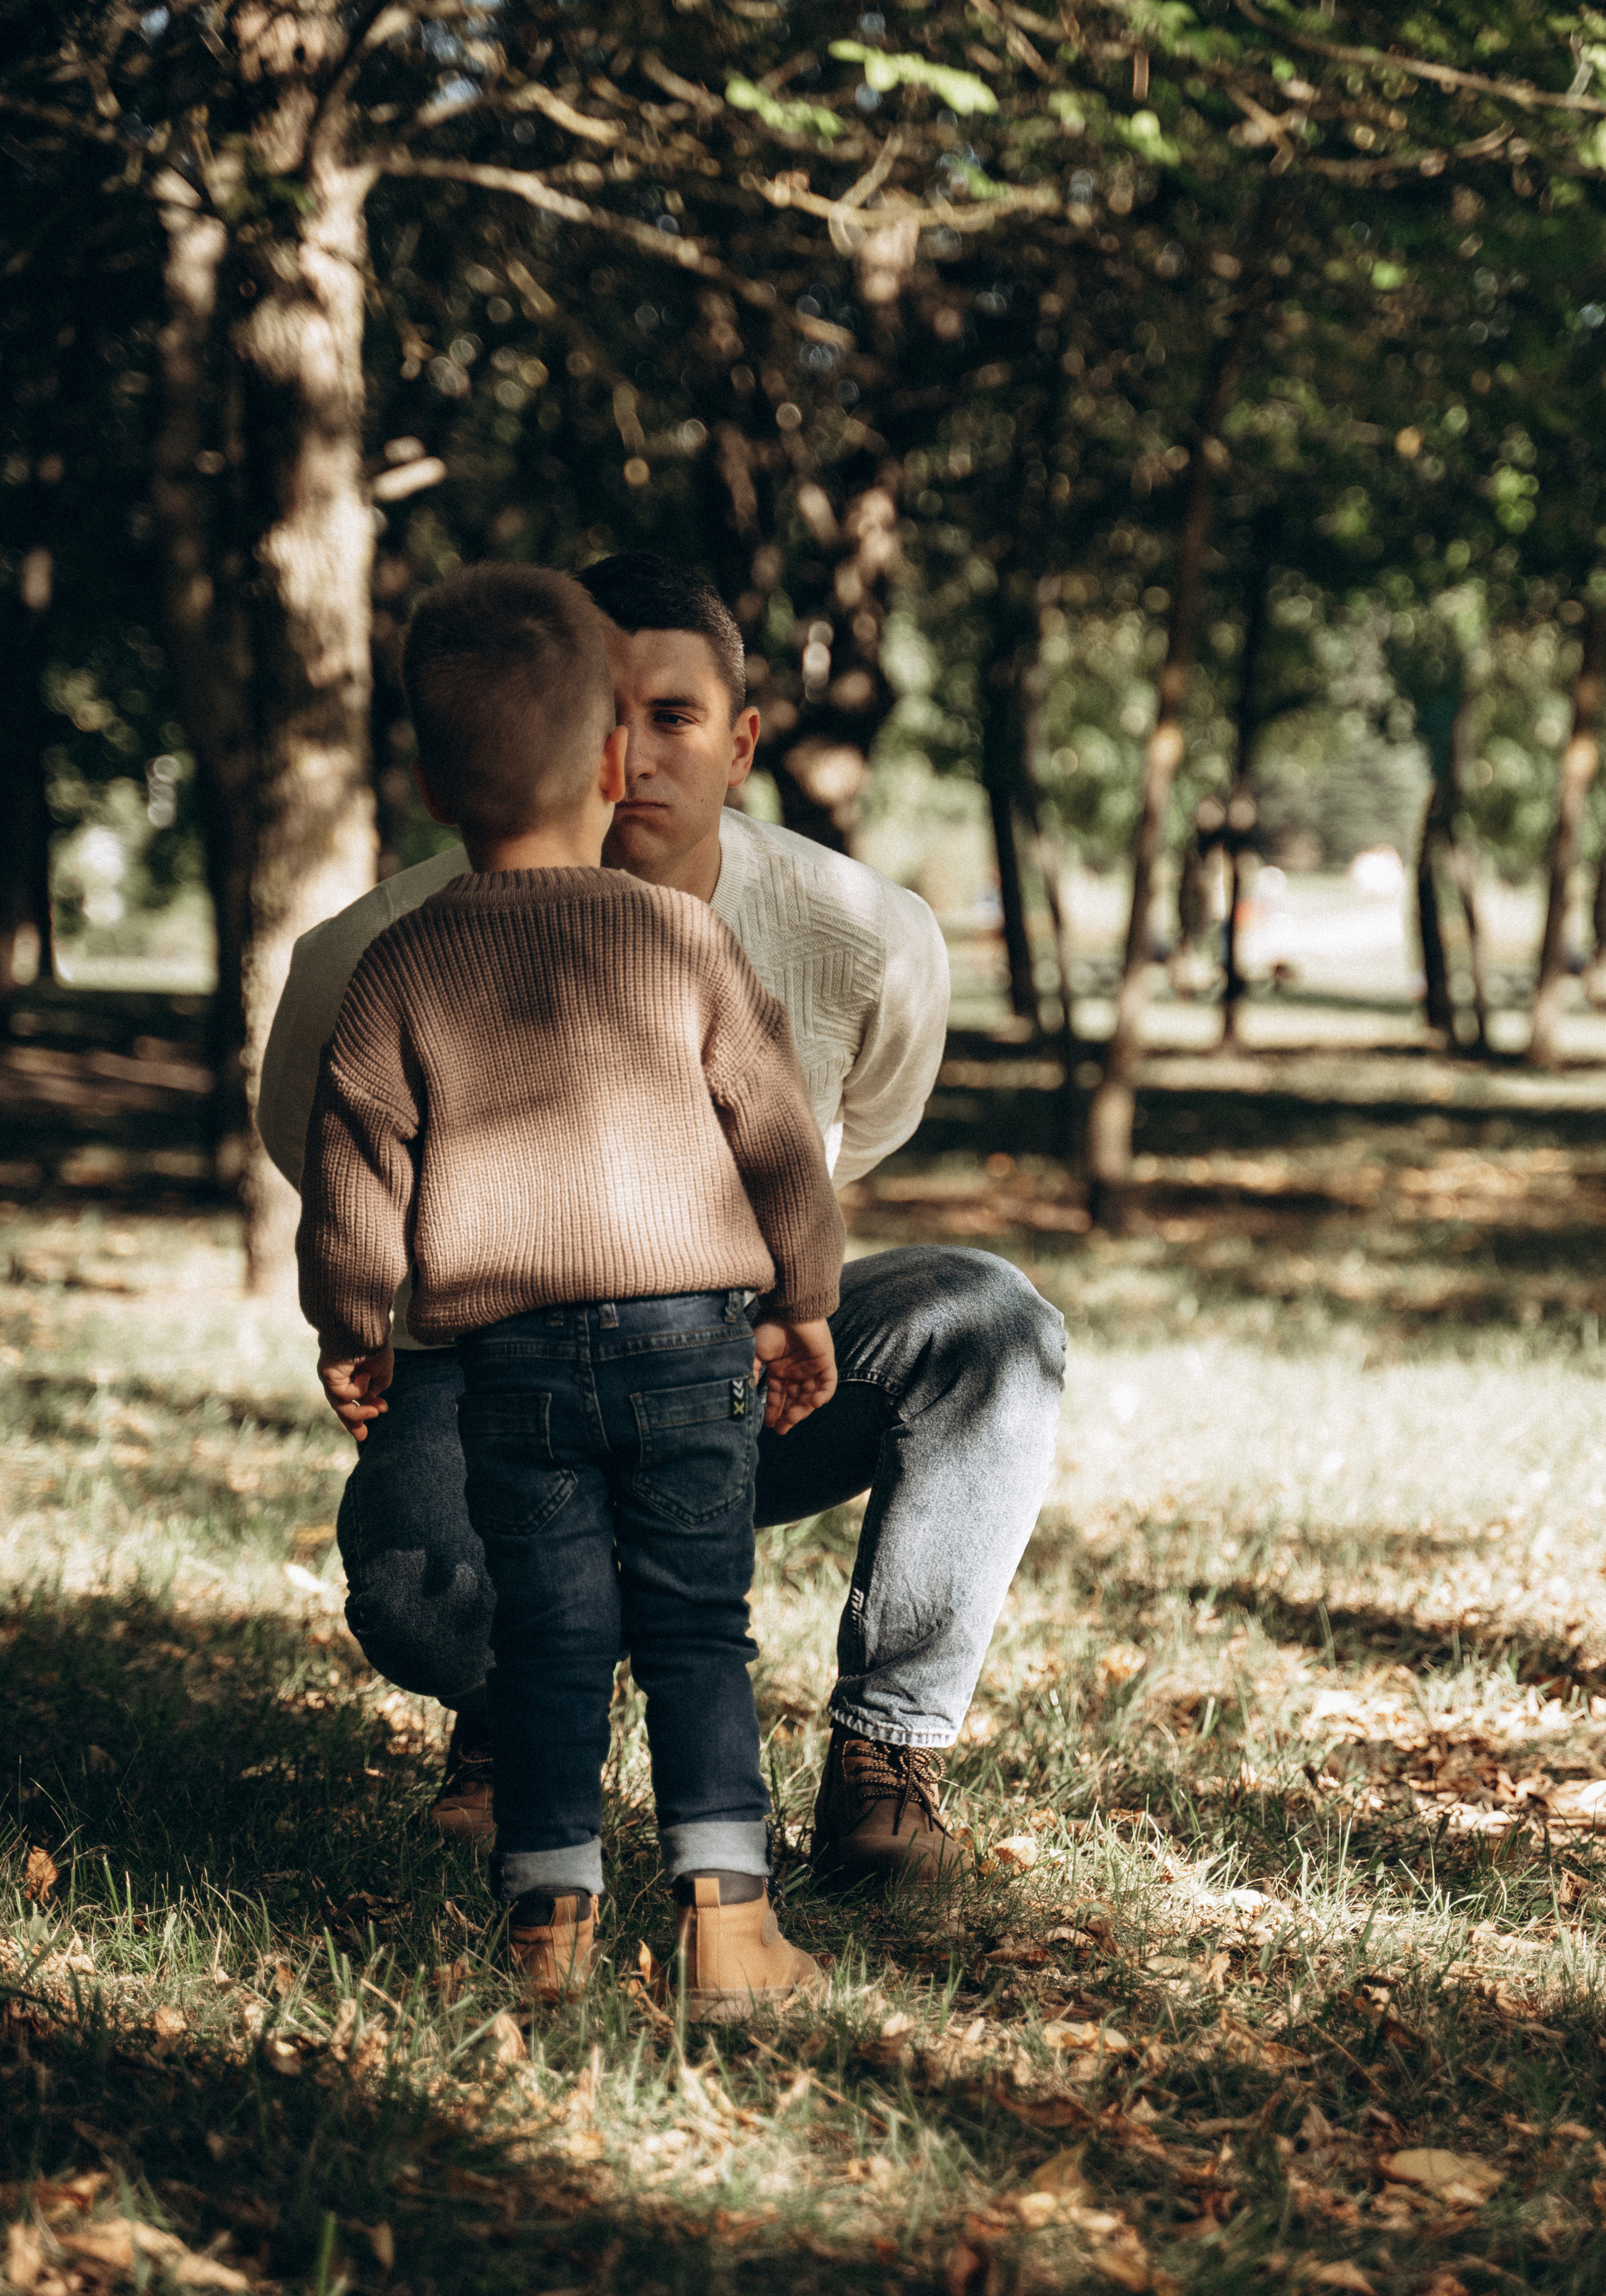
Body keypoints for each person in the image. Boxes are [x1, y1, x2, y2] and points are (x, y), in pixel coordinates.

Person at [259, 551, 1067, 1891]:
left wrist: (775, 1301)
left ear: (742, 741)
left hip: (737, 1361)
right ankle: (521, 1705)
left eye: (675, 716)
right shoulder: (371, 958)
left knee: (991, 1322)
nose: (634, 755)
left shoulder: (870, 940)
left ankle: (885, 1760)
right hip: (493, 1387)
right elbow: (333, 1164)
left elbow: (834, 1147)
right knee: (416, 1596)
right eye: (604, 718)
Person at [296, 562, 847, 2010]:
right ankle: (729, 1928)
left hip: (511, 1373)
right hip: (690, 1352)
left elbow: (358, 1176)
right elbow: (776, 1135)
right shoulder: (680, 939)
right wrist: (801, 1297)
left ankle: (547, 1931)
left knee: (550, 1645)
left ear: (426, 777)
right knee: (691, 1634)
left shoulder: (399, 969)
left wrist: (354, 1334)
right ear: (612, 760)